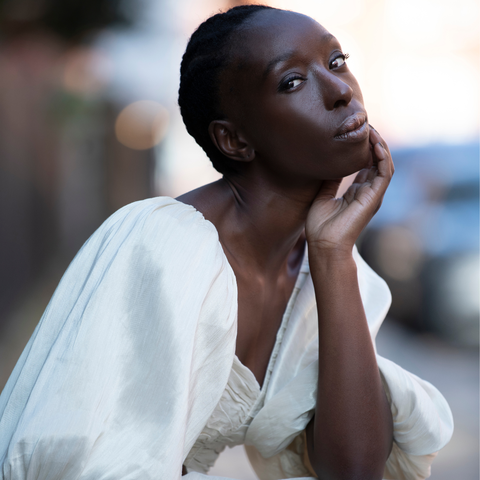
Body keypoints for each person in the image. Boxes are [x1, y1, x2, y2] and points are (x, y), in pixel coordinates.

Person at [0, 5, 453, 480]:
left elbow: (354, 469)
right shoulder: (163, 245)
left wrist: (334, 255)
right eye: (293, 82)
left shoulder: (323, 266)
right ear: (235, 140)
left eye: (336, 61)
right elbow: (84, 459)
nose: (342, 91)